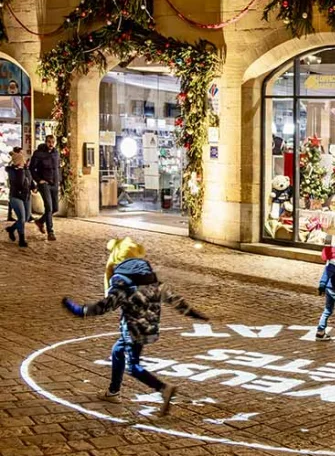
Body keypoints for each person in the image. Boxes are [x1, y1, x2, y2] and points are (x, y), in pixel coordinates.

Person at [61, 236, 209, 416]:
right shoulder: (151, 279)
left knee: (134, 366)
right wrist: (194, 314)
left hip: (133, 330)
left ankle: (163, 388)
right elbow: (174, 299)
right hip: (149, 327)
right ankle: (113, 391)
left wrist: (79, 310)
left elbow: (104, 306)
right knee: (117, 351)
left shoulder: (123, 283)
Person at [29, 135, 60, 241]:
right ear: (46, 142)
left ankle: (40, 221)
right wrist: (38, 180)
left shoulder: (56, 153)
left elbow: (57, 168)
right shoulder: (38, 153)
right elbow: (31, 168)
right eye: (49, 142)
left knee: (55, 208)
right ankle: (50, 232)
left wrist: (59, 181)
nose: (51, 144)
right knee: (49, 207)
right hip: (44, 184)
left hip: (54, 184)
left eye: (53, 142)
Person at [5, 150, 36, 248]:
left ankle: (11, 229)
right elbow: (17, 183)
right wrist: (18, 170)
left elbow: (30, 181)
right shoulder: (13, 171)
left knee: (26, 218)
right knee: (22, 219)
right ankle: (22, 239)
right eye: (21, 160)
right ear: (18, 161)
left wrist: (33, 187)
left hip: (26, 196)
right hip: (16, 196)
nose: (23, 161)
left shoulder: (26, 170)